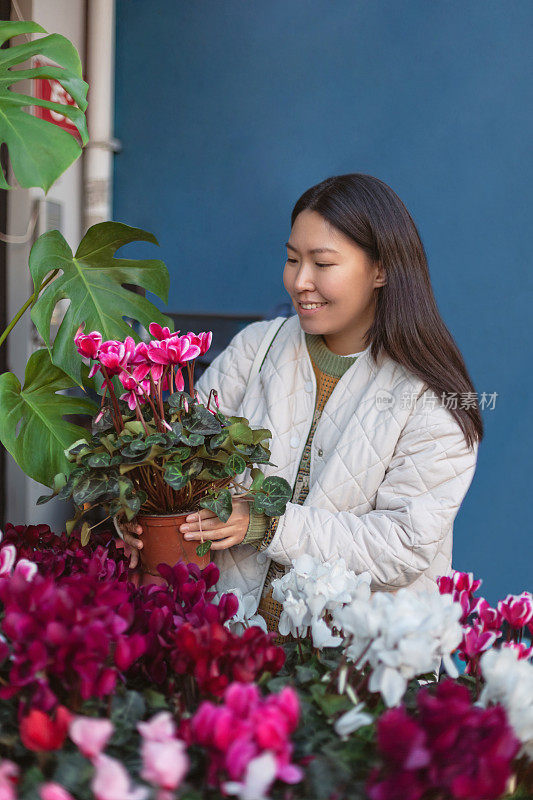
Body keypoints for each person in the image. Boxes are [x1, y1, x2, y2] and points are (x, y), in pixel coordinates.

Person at [119, 173, 482, 633]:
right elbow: (178, 465)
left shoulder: (432, 394)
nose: (300, 281)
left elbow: (403, 545)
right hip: (226, 644)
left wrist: (267, 524)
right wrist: (140, 520)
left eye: (322, 263)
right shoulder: (257, 348)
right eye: (292, 259)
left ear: (381, 269)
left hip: (353, 671)